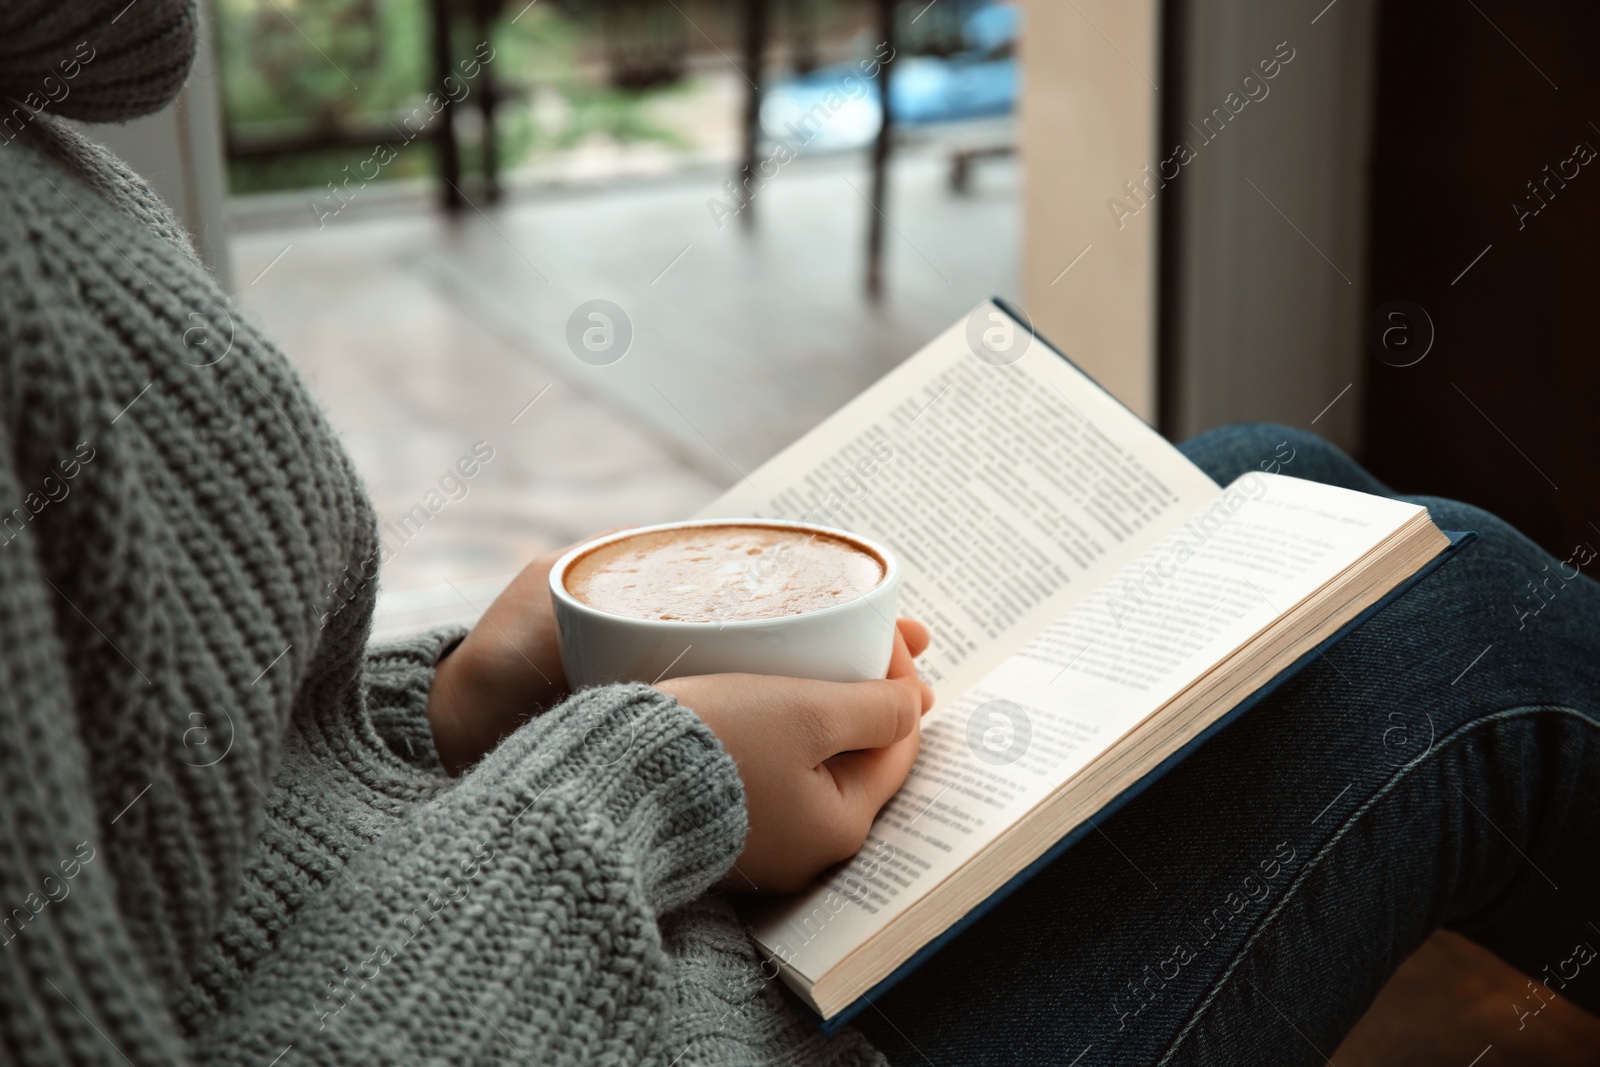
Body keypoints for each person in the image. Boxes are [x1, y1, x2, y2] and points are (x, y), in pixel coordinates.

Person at [1, 4, 1596, 1065]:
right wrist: (641, 780)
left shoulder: (36, 145)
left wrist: (445, 721)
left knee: (1267, 487)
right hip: (621, 1009)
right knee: (1444, 632)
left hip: (487, 930)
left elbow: (184, 812)